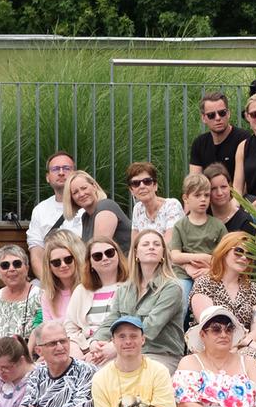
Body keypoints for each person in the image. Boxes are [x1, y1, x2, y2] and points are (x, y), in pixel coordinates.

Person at [97, 229, 187, 371]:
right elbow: (111, 319)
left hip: (159, 355)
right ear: (136, 253)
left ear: (163, 253)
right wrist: (97, 342)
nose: (151, 247)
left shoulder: (172, 287)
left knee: (131, 374)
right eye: (145, 244)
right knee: (94, 372)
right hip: (126, 353)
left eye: (156, 244)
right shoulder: (124, 289)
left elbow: (151, 326)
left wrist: (115, 346)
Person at [191, 231, 256, 364]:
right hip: (210, 346)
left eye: (249, 255)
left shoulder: (253, 289)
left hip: (242, 349)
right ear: (224, 251)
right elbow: (211, 324)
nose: (244, 257)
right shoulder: (204, 284)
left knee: (252, 355)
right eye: (238, 251)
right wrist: (246, 342)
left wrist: (237, 346)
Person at [66, 236, 124, 364]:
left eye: (109, 253)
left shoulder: (131, 286)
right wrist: (82, 350)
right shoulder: (81, 290)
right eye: (97, 256)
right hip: (86, 348)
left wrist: (111, 346)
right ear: (90, 263)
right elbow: (70, 328)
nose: (105, 258)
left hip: (117, 347)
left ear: (118, 255)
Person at [25, 150, 80, 286]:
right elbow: (36, 253)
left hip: (84, 277)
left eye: (66, 168)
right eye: (55, 169)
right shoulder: (40, 210)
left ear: (75, 174)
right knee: (34, 288)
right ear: (48, 177)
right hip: (51, 278)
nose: (61, 172)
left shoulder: (87, 205)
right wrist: (50, 283)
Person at [167, 172, 224, 283]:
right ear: (186, 198)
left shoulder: (218, 225)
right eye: (197, 195)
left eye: (206, 195)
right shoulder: (180, 225)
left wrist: (210, 268)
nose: (203, 199)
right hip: (184, 275)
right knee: (180, 292)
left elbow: (226, 255)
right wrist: (201, 257)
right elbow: (175, 255)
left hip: (210, 273)